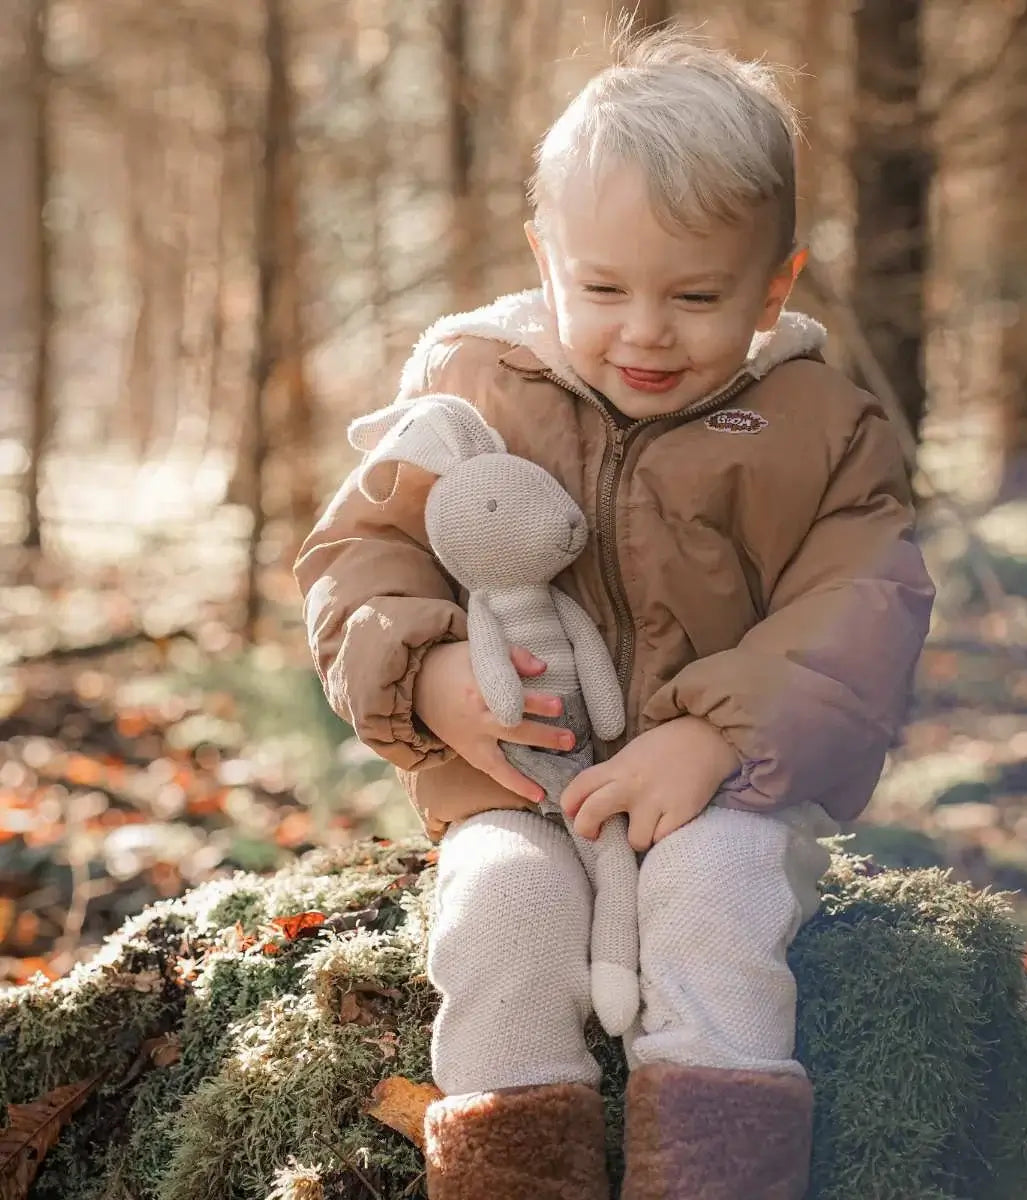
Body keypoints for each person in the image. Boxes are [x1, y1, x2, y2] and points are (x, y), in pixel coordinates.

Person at [295, 27, 934, 1200]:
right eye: (603, 289)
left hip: (725, 796)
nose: (646, 330)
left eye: (696, 296)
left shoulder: (821, 428)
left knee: (718, 903)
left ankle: (714, 1168)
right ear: (546, 261)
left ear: (774, 283)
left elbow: (867, 604)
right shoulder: (469, 391)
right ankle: (510, 1167)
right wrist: (433, 681)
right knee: (501, 909)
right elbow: (357, 560)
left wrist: (721, 737)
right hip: (521, 787)